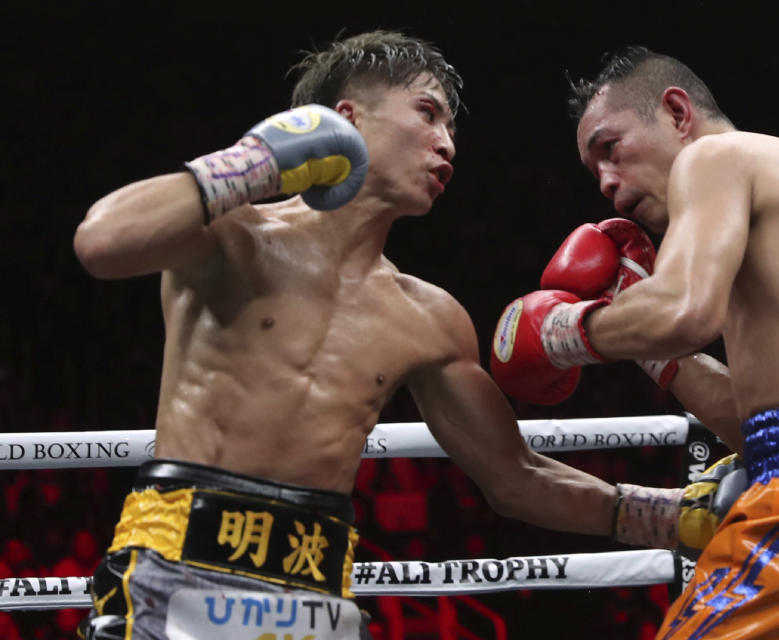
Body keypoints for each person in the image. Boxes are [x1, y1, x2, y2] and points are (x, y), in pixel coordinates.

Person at [73, 32, 736, 640]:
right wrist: (255, 163)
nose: (448, 143)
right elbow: (101, 241)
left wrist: (671, 515)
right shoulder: (229, 237)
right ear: (346, 119)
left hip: (311, 591)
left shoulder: (428, 317)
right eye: (427, 113)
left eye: (450, 124)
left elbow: (516, 476)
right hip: (175, 564)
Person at [490, 45, 779, 637]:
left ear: (677, 113)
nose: (607, 182)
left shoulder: (714, 158)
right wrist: (647, 344)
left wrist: (565, 331)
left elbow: (685, 311)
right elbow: (767, 426)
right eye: (594, 173)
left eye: (610, 149)